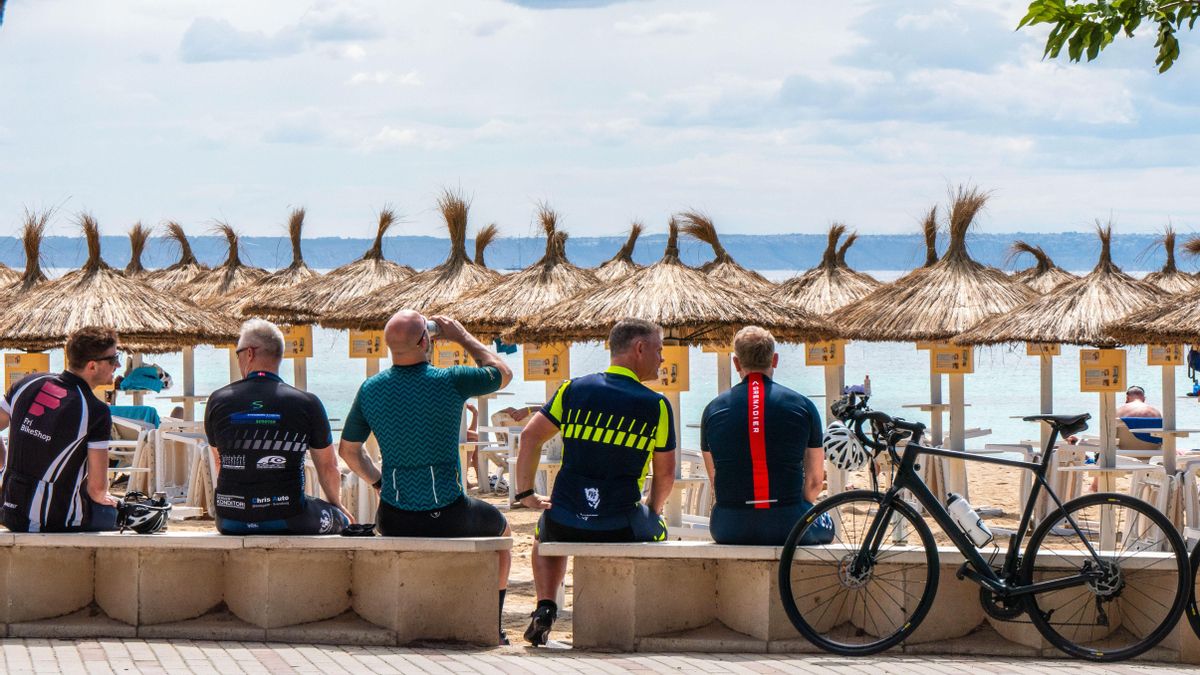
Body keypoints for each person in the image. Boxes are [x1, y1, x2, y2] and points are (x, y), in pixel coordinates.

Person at [338, 311, 514, 641]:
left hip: (393, 518)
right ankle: (494, 624)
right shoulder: (450, 380)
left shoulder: (370, 389)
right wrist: (462, 335)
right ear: (426, 341)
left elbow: (348, 451)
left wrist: (379, 483)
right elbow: (502, 373)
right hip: (449, 514)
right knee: (503, 529)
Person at [514, 318, 676, 647]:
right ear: (639, 348)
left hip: (565, 521)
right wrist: (654, 509)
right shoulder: (656, 405)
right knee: (660, 531)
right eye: (659, 350)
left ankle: (546, 605)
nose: (662, 359)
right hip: (623, 524)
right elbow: (666, 474)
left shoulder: (571, 389)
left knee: (542, 531)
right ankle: (639, 613)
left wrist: (525, 493)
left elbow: (530, 436)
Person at [205, 319, 350, 535]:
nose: (238, 359)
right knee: (343, 520)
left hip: (229, 520)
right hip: (289, 517)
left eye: (238, 353)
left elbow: (220, 462)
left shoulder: (217, 400)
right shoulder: (307, 403)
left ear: (250, 354)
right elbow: (329, 467)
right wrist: (337, 506)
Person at [700, 326, 832, 546]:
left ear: (736, 363)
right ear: (775, 360)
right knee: (825, 522)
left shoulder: (713, 409)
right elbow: (815, 482)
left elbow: (716, 480)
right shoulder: (803, 406)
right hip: (789, 522)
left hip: (728, 526)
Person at [0, 326, 121, 532]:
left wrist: (3, 462)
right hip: (51, 519)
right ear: (92, 366)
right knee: (132, 515)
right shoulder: (96, 411)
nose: (118, 364)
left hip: (8, 510)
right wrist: (114, 502)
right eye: (113, 358)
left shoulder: (28, 383)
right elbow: (97, 489)